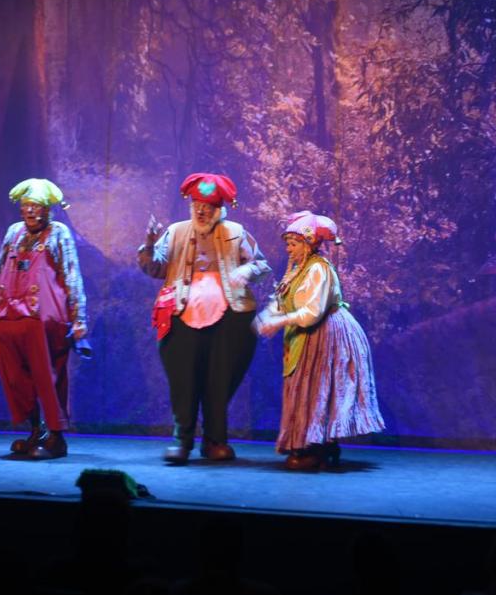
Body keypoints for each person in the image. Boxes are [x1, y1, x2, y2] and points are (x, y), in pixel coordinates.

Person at [138, 173, 270, 464]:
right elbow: (154, 268)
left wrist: (246, 271)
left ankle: (214, 440)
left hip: (229, 317)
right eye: (197, 205)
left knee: (219, 381)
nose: (201, 211)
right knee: (183, 380)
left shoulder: (235, 232)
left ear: (219, 209)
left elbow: (262, 265)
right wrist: (148, 245)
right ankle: (182, 440)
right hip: (182, 314)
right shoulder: (176, 232)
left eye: (207, 206)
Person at [253, 211, 385, 469]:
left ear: (308, 243)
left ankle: (318, 446)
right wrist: (267, 317)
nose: (289, 249)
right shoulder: (297, 269)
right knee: (305, 387)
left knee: (318, 388)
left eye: (293, 244)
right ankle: (309, 444)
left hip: (326, 333)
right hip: (306, 334)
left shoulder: (318, 269)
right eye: (288, 244)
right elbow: (282, 299)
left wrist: (279, 322)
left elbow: (312, 312)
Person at [0, 178, 87, 460]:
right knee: (16, 376)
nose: (30, 211)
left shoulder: (58, 232)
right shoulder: (14, 232)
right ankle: (36, 430)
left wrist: (78, 317)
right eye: (26, 206)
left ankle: (56, 436)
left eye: (36, 206)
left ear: (48, 209)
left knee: (47, 375)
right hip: (9, 314)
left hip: (44, 318)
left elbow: (71, 272)